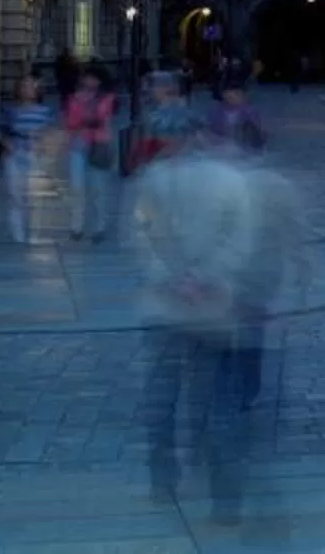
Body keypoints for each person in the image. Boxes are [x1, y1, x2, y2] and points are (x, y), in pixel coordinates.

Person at [133, 116, 293, 515]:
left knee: (162, 397)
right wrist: (206, 277)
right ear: (201, 137)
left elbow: (141, 236)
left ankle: (163, 479)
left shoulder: (152, 180)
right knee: (213, 400)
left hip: (164, 306)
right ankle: (222, 496)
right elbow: (240, 241)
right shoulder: (229, 180)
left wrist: (170, 278)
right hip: (212, 307)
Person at [62, 65, 119, 241]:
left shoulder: (107, 98)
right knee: (76, 188)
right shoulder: (73, 99)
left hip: (98, 146)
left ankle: (99, 227)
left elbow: (101, 119)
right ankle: (76, 226)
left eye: (94, 78)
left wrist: (85, 117)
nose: (89, 81)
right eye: (87, 77)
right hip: (78, 146)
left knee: (98, 188)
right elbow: (70, 123)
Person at [0, 72, 53, 245]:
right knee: (15, 194)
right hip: (15, 154)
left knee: (34, 196)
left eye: (31, 86)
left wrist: (44, 145)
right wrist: (6, 143)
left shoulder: (45, 111)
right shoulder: (10, 111)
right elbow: (0, 131)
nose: (27, 90)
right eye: (24, 86)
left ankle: (33, 229)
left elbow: (49, 132)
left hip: (35, 156)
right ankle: (17, 233)